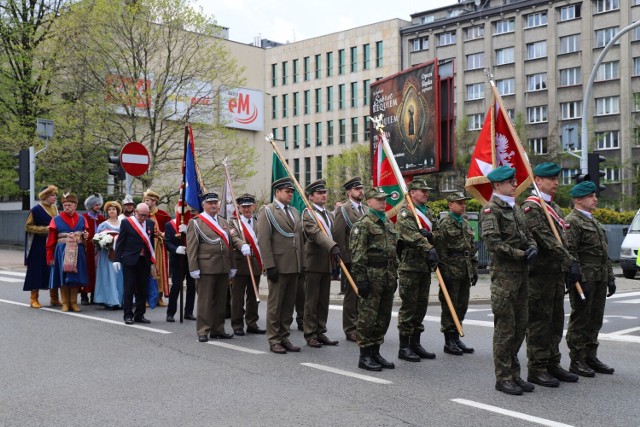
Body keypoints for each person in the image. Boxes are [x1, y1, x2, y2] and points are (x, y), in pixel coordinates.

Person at [479, 166, 537, 396]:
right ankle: (503, 377)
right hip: (505, 278)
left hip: (522, 276)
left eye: (514, 181)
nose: (515, 184)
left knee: (520, 327)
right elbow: (493, 243)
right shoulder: (490, 210)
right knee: (505, 330)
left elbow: (526, 233)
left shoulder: (515, 208)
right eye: (510, 182)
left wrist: (532, 246)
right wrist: (521, 254)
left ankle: (514, 373)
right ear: (497, 185)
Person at [522, 162, 580, 387]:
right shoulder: (531, 207)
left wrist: (567, 266)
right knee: (539, 322)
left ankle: (552, 363)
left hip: (555, 274)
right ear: (537, 180)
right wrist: (569, 261)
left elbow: (563, 240)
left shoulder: (555, 208)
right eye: (551, 179)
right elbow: (545, 240)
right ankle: (536, 368)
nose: (556, 182)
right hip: (539, 275)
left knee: (555, 321)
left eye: (557, 178)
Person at [565, 180, 616, 377]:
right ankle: (577, 359)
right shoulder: (573, 221)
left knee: (595, 319)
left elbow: (604, 253)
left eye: (594, 195)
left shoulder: (594, 221)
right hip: (585, 278)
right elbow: (571, 253)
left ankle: (590, 356)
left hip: (600, 277)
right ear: (578, 199)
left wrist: (610, 277)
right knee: (581, 319)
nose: (595, 199)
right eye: (590, 196)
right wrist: (580, 280)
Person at [350, 187, 399, 371]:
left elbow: (394, 251)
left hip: (387, 275)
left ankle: (376, 352)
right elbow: (357, 254)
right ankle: (365, 355)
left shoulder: (387, 223)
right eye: (379, 199)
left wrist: (395, 275)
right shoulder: (362, 224)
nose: (383, 202)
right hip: (371, 275)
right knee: (368, 318)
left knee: (383, 316)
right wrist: (361, 279)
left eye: (384, 199)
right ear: (369, 202)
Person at [256, 177, 303, 354]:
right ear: (277, 192)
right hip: (278, 265)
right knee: (276, 305)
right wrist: (269, 265)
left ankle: (284, 336)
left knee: (288, 304)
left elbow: (298, 240)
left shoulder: (294, 211)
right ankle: (274, 339)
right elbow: (264, 240)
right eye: (287, 191)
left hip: (293, 265)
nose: (290, 194)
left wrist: (301, 264)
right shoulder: (267, 211)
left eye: (291, 191)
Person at [396, 178, 440, 362]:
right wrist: (428, 247)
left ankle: (416, 343)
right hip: (410, 267)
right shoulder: (406, 214)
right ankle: (404, 346)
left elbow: (439, 233)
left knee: (421, 306)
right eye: (422, 190)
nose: (426, 193)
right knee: (409, 308)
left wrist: (431, 236)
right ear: (412, 193)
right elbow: (410, 235)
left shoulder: (428, 212)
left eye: (427, 190)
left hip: (424, 267)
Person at [186, 192, 236, 342]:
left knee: (221, 301)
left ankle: (218, 329)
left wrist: (232, 265)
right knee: (205, 301)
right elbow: (192, 247)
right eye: (210, 203)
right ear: (204, 205)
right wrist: (193, 267)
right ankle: (203, 330)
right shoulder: (196, 222)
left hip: (222, 266)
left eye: (215, 203)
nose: (213, 205)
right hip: (206, 267)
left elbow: (230, 245)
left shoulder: (223, 222)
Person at [434, 192, 477, 356]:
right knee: (449, 305)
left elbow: (471, 248)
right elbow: (440, 250)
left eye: (464, 202)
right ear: (450, 205)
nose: (463, 205)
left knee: (462, 305)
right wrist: (444, 273)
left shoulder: (465, 223)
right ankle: (449, 340)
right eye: (459, 203)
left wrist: (473, 268)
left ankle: (457, 335)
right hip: (451, 269)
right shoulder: (444, 224)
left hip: (464, 269)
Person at [302, 179, 341, 348]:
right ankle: (310, 334)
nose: (323, 195)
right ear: (311, 196)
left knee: (323, 300)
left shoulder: (329, 214)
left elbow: (333, 234)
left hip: (327, 262)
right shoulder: (308, 214)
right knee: (312, 300)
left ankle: (320, 331)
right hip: (313, 261)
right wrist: (333, 246)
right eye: (319, 193)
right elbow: (315, 233)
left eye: (324, 192)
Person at [332, 176, 366, 342]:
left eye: (361, 188)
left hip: (365, 260)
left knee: (363, 293)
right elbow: (338, 234)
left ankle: (361, 324)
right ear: (349, 192)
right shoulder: (344, 210)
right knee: (352, 295)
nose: (361, 191)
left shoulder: (365, 209)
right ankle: (350, 328)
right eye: (357, 189)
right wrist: (345, 260)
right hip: (352, 259)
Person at [46, 192, 89, 312]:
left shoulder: (82, 219)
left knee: (75, 276)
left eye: (69, 205)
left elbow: (85, 235)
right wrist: (49, 255)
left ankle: (74, 302)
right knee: (63, 276)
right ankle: (65, 302)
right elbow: (51, 239)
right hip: (62, 251)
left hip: (78, 250)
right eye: (65, 205)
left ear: (75, 205)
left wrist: (85, 235)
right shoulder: (56, 219)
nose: (67, 207)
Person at [229, 193, 265, 335]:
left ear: (254, 206)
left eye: (249, 206)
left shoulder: (259, 221)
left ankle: (252, 323)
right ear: (239, 207)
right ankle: (237, 324)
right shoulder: (234, 222)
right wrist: (242, 244)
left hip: (255, 263)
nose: (246, 209)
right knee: (237, 297)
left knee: (253, 296)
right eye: (243, 207)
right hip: (240, 263)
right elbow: (233, 236)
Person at [113, 203, 155, 325]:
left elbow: (150, 243)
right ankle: (128, 315)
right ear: (136, 211)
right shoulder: (127, 223)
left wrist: (152, 261)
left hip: (144, 260)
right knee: (129, 288)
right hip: (130, 260)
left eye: (145, 215)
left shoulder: (150, 223)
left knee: (143, 288)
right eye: (141, 215)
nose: (143, 218)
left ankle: (140, 314)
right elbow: (121, 241)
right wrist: (117, 259)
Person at [23, 185, 59, 308]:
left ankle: (54, 298)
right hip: (38, 244)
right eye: (53, 195)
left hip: (52, 243)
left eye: (55, 195)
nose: (55, 197)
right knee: (37, 270)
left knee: (52, 269)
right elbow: (28, 226)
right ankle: (34, 298)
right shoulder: (36, 210)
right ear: (45, 196)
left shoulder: (55, 208)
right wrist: (46, 229)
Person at [165, 203, 196, 322]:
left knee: (192, 286)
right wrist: (175, 249)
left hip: (191, 258)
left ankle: (189, 312)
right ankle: (170, 313)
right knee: (176, 286)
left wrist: (188, 231)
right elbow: (167, 242)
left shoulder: (192, 223)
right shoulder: (169, 225)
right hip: (177, 260)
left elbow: (196, 239)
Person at [93, 201, 124, 309]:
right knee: (108, 276)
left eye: (113, 209)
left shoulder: (122, 224)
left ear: (118, 211)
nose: (111, 211)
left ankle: (120, 299)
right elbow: (97, 239)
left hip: (119, 254)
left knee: (119, 276)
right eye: (109, 209)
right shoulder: (103, 225)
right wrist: (103, 243)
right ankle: (109, 300)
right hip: (106, 255)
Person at [144, 189, 171, 307]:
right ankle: (145, 297)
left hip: (159, 247)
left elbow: (170, 231)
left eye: (148, 200)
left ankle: (159, 297)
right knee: (146, 271)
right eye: (145, 200)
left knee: (159, 271)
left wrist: (162, 235)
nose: (146, 202)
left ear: (154, 201)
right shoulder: (142, 214)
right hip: (146, 247)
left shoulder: (163, 215)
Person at [82, 193, 105, 304]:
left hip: (99, 249)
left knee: (97, 272)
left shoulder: (102, 218)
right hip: (87, 249)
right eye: (96, 205)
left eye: (99, 204)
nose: (98, 207)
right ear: (91, 206)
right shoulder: (84, 218)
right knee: (86, 270)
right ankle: (84, 294)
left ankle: (94, 294)